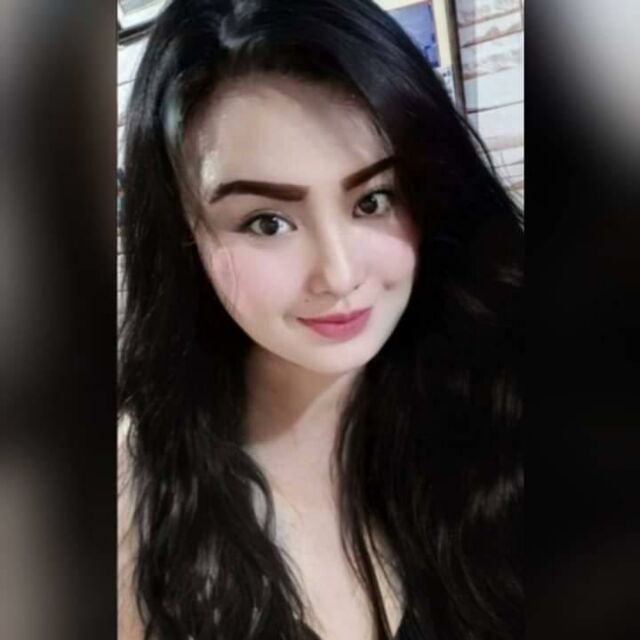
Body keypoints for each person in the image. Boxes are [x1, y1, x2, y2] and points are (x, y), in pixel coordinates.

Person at [118, 1, 523, 638]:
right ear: (183, 234)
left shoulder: (496, 400)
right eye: (266, 222)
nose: (338, 274)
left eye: (373, 200)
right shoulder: (132, 509)